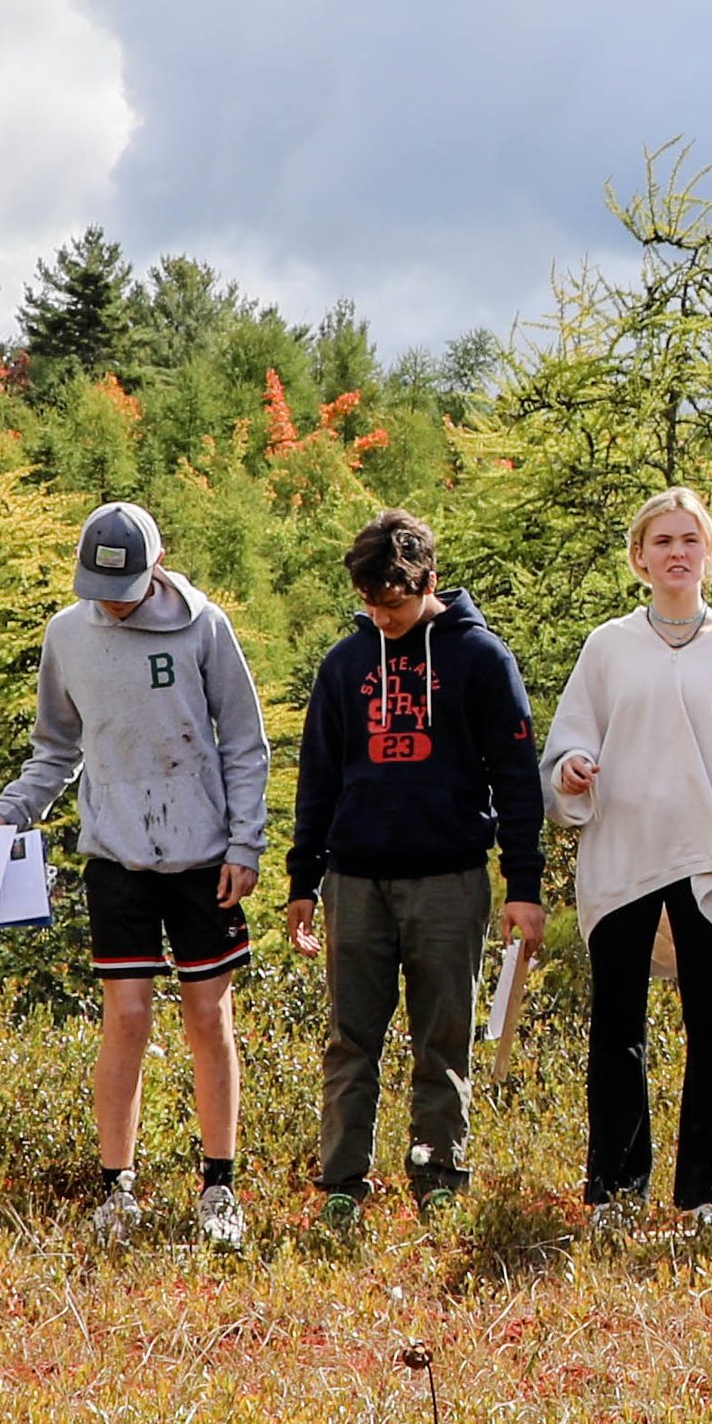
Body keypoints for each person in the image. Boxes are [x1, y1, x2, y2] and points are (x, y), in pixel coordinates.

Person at [0, 499, 274, 1251]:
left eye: (122, 584)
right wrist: (9, 814)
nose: (109, 600)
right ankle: (116, 1187)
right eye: (96, 586)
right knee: (127, 1016)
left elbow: (244, 740)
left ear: (156, 565)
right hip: (114, 851)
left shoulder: (203, 626)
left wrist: (245, 843)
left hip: (202, 850)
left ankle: (219, 1185)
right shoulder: (67, 635)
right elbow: (56, 746)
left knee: (208, 1016)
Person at [541, 486, 712, 1241]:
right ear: (640, 556)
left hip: (710, 859)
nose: (677, 552)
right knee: (617, 1028)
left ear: (710, 552)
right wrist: (571, 772)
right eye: (662, 540)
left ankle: (710, 1198)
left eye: (691, 539)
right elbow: (566, 746)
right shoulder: (608, 645)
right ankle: (616, 1194)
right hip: (623, 856)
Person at [286, 508, 546, 1235]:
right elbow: (318, 778)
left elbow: (518, 778)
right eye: (369, 601)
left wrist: (524, 886)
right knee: (350, 1038)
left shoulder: (480, 658)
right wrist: (302, 880)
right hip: (355, 880)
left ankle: (438, 1173)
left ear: (429, 581)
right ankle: (343, 1182)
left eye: (394, 601)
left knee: (443, 1037)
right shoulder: (344, 663)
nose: (381, 614)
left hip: (450, 877)